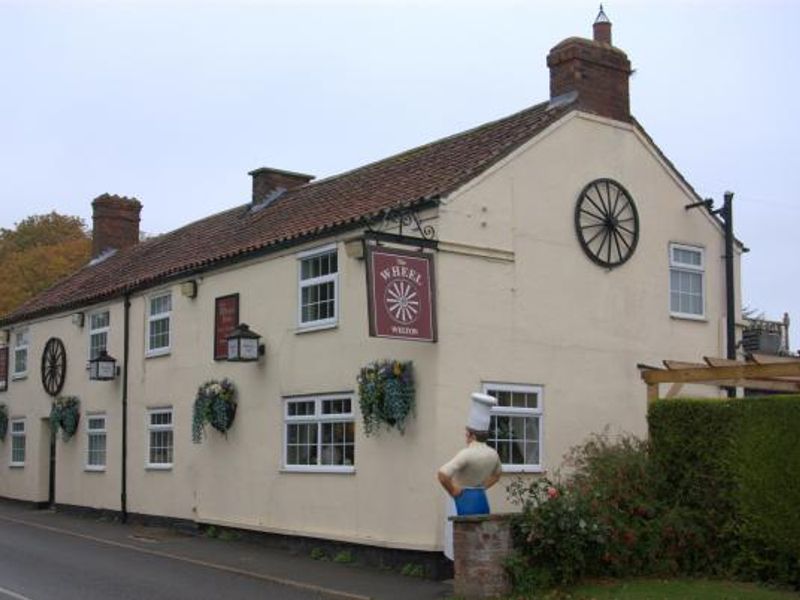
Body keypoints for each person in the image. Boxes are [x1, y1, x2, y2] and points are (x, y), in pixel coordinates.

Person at [437, 392, 502, 560]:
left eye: (467, 433)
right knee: (478, 540)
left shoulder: (466, 454)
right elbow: (497, 475)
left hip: (460, 500)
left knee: (458, 544)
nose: (465, 436)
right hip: (480, 498)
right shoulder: (493, 454)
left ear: (472, 435)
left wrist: (453, 491)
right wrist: (482, 487)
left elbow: (442, 474)